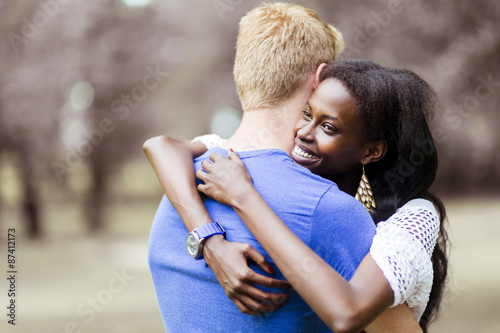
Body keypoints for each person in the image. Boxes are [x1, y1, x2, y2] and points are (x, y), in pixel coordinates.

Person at [144, 3, 405, 333]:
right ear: (320, 78)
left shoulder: (174, 199)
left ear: (243, 70)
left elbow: (161, 145)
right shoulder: (331, 209)